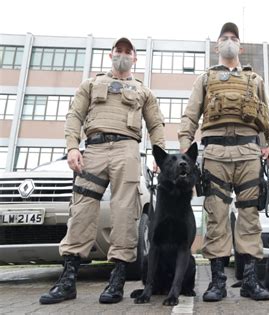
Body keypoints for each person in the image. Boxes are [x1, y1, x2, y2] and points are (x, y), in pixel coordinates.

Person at [39, 37, 166, 305]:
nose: (122, 55)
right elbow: (74, 115)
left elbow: (156, 125)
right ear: (110, 56)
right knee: (82, 210)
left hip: (126, 150)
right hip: (93, 150)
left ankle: (117, 279)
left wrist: (160, 155)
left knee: (123, 212)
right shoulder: (91, 84)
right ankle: (68, 280)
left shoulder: (144, 92)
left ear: (135, 59)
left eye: (127, 51)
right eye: (118, 50)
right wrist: (73, 147)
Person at [178, 22, 269, 302]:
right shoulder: (205, 79)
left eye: (233, 38)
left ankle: (249, 281)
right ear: (216, 46)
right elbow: (190, 115)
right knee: (217, 217)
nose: (229, 42)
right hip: (215, 155)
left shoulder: (255, 79)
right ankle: (217, 282)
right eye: (224, 38)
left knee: (249, 217)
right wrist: (186, 145)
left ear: (241, 46)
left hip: (249, 153)